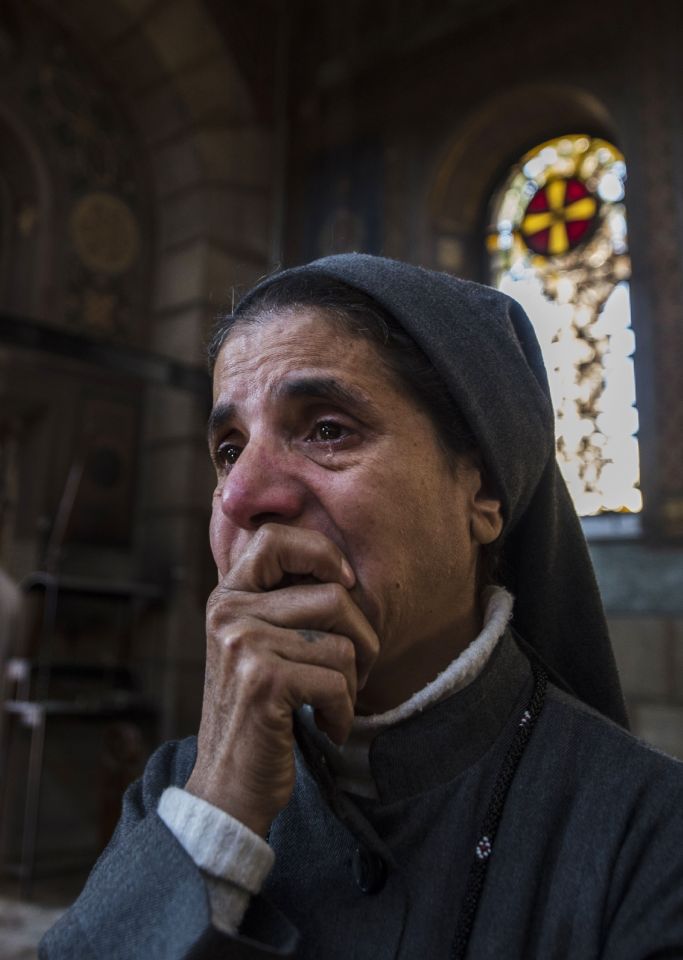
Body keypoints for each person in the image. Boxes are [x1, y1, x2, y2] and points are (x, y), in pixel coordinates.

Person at [41, 255, 683, 959]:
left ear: (482, 492)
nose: (241, 495)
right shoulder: (177, 790)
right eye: (228, 449)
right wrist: (218, 809)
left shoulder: (647, 833)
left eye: (326, 430)